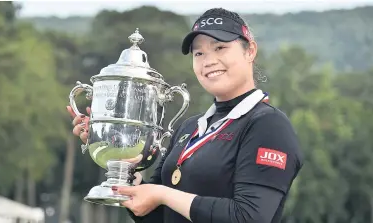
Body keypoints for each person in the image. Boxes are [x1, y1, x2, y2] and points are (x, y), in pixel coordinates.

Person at [68, 8, 303, 223]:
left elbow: (249, 217)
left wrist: (163, 194)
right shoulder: (190, 128)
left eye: (220, 47)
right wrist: (117, 158)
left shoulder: (268, 125)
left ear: (250, 50)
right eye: (198, 53)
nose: (208, 60)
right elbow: (160, 217)